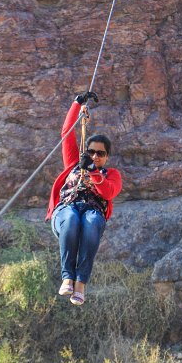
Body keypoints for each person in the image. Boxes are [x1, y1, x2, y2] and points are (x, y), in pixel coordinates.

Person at [46, 91, 122, 305]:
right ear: (86, 152)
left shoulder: (112, 175)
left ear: (107, 157)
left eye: (101, 153)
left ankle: (80, 284)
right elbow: (66, 133)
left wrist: (93, 171)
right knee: (71, 219)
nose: (95, 156)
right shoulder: (73, 163)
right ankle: (67, 277)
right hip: (67, 208)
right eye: (92, 152)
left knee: (90, 223)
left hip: (92, 211)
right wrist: (77, 103)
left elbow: (108, 192)